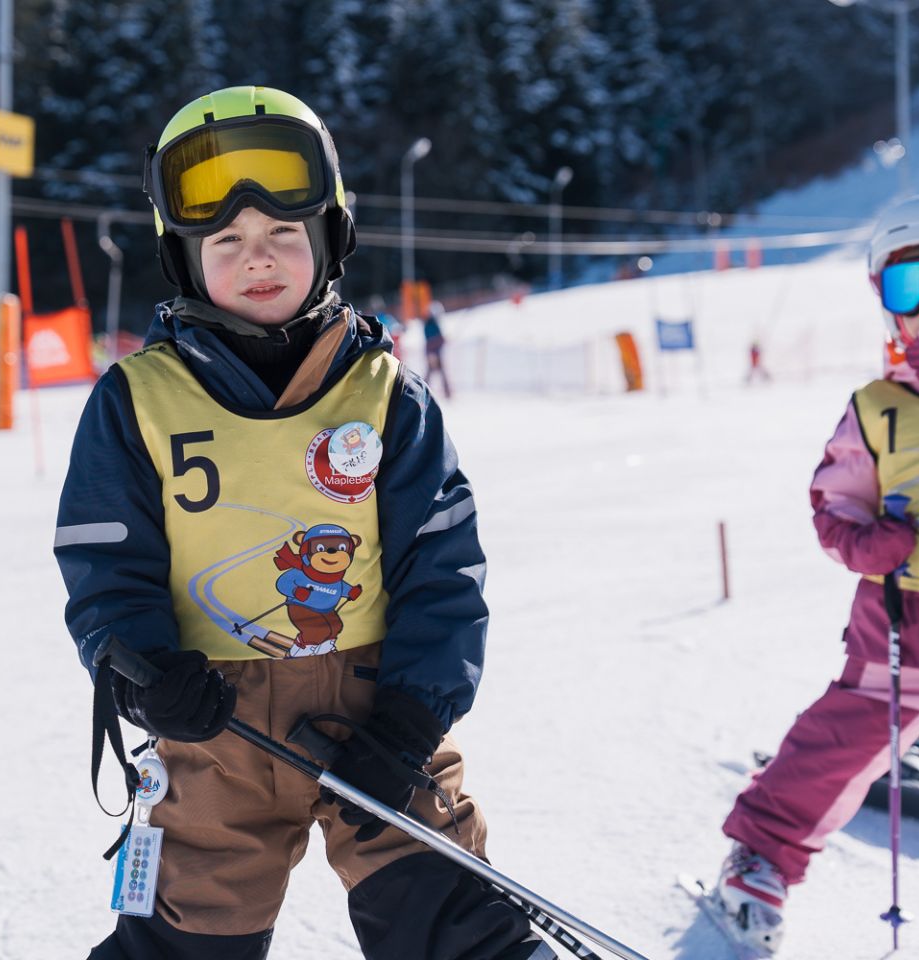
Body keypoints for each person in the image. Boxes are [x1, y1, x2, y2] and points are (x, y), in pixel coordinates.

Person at [54, 86, 548, 960]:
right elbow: (105, 566)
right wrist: (143, 673)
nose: (259, 258)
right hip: (214, 730)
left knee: (450, 921)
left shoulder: (385, 398)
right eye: (227, 241)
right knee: (183, 938)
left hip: (377, 720)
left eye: (284, 232)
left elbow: (443, 569)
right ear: (183, 258)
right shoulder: (138, 403)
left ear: (331, 237)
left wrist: (410, 721)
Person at [713, 194, 919, 955]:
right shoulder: (877, 406)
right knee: (827, 750)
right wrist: (867, 545)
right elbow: (835, 503)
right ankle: (759, 859)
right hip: (898, 638)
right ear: (884, 300)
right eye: (909, 287)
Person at [423, 300, 453, 399]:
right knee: (430, 373)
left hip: (437, 352)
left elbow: (438, 337)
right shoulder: (429, 323)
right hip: (432, 353)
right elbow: (431, 340)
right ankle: (422, 392)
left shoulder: (434, 323)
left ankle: (447, 393)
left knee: (440, 372)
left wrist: (444, 339)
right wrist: (431, 355)